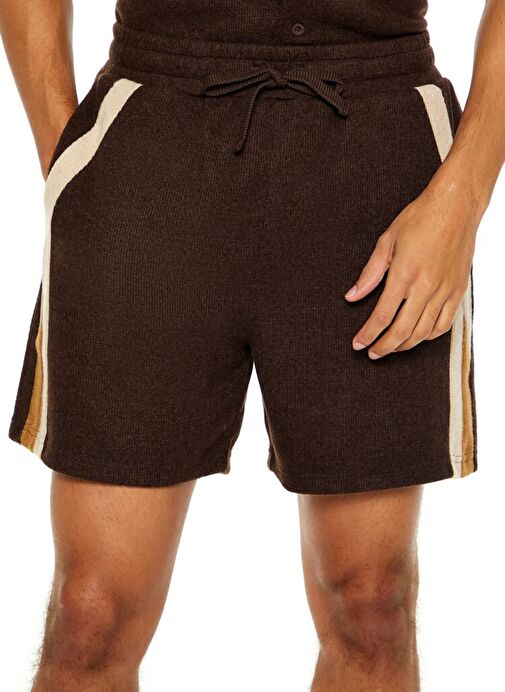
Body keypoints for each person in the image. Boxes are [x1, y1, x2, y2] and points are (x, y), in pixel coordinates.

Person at [1, 1, 503, 689]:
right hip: (153, 139)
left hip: (377, 154)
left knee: (372, 606)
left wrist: (462, 198)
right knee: (90, 617)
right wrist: (70, 161)